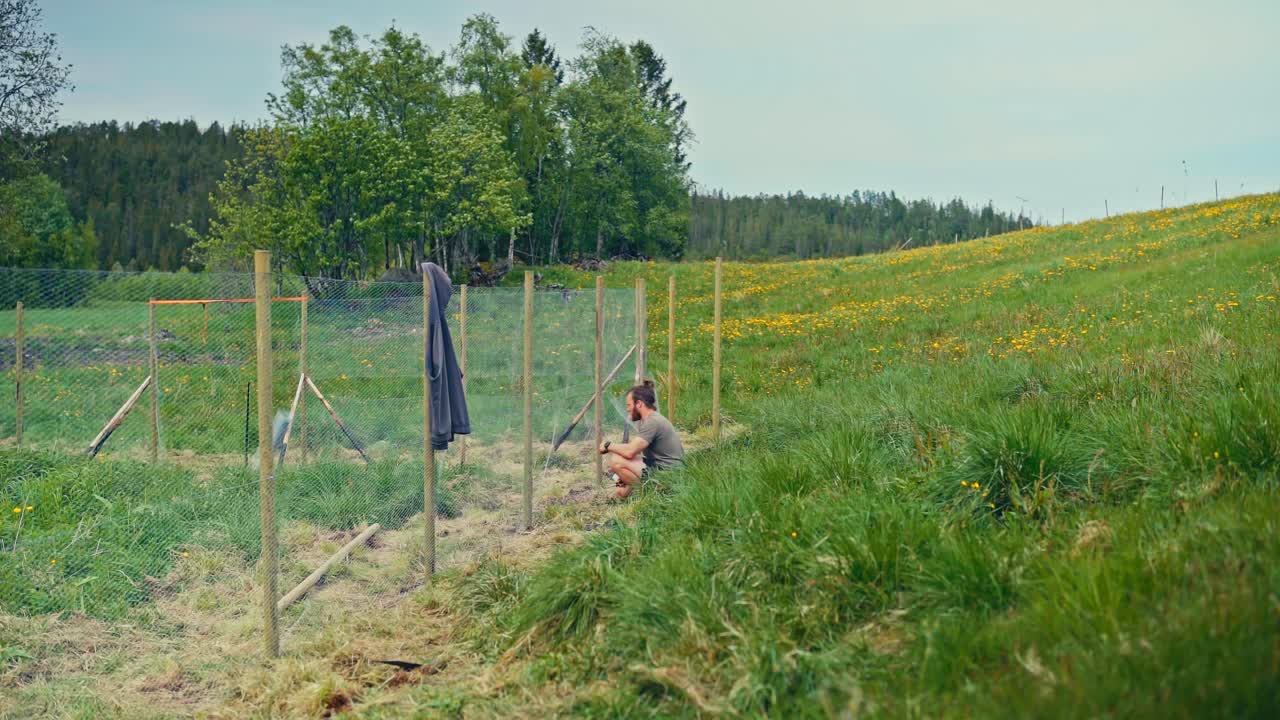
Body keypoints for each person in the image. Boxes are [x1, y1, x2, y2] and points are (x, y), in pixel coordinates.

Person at [599, 380, 685, 499]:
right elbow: (635, 450)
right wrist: (620, 477)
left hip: (669, 473)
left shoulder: (652, 422)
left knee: (616, 460)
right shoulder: (648, 420)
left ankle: (651, 494)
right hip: (659, 466)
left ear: (639, 404)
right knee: (621, 492)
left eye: (628, 405)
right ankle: (645, 489)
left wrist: (607, 445)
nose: (627, 409)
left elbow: (630, 452)